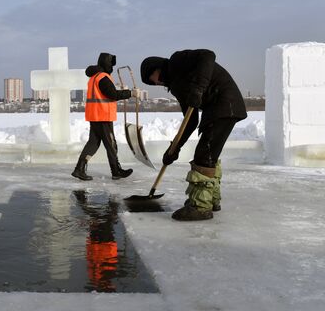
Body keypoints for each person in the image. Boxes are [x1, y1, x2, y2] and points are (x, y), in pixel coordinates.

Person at [140, 49, 247, 221]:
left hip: (225, 102)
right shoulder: (177, 87)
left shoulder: (177, 61)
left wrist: (198, 89)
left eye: (153, 77)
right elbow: (189, 121)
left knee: (204, 154)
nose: (156, 83)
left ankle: (200, 207)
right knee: (209, 153)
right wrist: (174, 149)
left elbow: (208, 55)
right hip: (216, 108)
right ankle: (211, 200)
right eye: (152, 83)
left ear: (157, 66)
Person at [72, 53, 141, 181]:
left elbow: (107, 93)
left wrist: (121, 91)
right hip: (103, 116)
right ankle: (116, 171)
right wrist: (130, 93)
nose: (112, 67)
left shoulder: (93, 77)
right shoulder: (103, 77)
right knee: (111, 144)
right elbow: (112, 94)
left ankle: (79, 169)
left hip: (94, 115)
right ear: (106, 64)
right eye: (111, 64)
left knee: (93, 143)